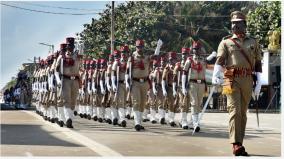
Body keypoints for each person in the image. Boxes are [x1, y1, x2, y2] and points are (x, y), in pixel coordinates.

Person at [212, 11, 262, 156]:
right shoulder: (225, 42)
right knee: (234, 110)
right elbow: (220, 61)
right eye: (233, 23)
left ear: (244, 24)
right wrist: (216, 74)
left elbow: (258, 63)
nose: (235, 25)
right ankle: (235, 144)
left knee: (243, 113)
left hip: (247, 78)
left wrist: (259, 82)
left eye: (238, 22)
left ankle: (239, 142)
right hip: (229, 77)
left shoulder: (253, 42)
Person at [55, 37, 81, 128]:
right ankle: (68, 119)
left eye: (72, 46)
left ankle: (69, 118)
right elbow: (56, 70)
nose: (71, 47)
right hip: (65, 80)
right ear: (66, 46)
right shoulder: (62, 57)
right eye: (69, 46)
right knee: (66, 100)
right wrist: (58, 80)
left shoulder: (77, 56)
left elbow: (81, 67)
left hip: (75, 81)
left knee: (73, 101)